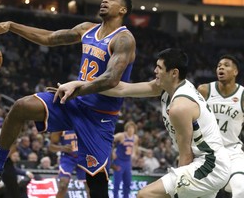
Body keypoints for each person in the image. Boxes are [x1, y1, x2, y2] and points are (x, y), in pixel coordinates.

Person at [0, 0, 135, 198]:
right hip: (74, 102)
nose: (105, 0)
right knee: (21, 107)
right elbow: (49, 37)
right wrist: (11, 26)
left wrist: (76, 89)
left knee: (96, 185)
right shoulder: (88, 29)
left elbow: (111, 78)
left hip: (99, 116)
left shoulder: (124, 39)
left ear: (122, 9)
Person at [57, 48, 232, 197]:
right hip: (206, 163)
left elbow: (186, 155)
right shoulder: (165, 87)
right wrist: (79, 84)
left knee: (145, 194)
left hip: (210, 165)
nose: (154, 70)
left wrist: (178, 186)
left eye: (159, 67)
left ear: (174, 73)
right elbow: (123, 88)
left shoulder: (181, 107)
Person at [197, 54, 244, 198]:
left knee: (240, 187)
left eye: (226, 65)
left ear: (235, 72)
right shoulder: (204, 90)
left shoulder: (242, 95)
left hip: (232, 150)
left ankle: (228, 180)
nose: (221, 67)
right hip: (208, 151)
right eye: (218, 66)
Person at [50, 131, 90, 198]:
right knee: (63, 185)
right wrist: (62, 148)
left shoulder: (86, 124)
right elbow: (51, 146)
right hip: (68, 158)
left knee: (90, 187)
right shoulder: (61, 127)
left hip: (84, 157)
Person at [112, 120, 139, 198]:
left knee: (127, 182)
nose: (130, 130)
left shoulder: (135, 137)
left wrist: (134, 154)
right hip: (118, 161)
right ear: (126, 129)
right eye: (129, 128)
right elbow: (110, 140)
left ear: (134, 129)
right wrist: (112, 152)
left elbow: (135, 146)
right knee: (117, 183)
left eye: (132, 128)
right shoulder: (121, 135)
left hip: (127, 162)